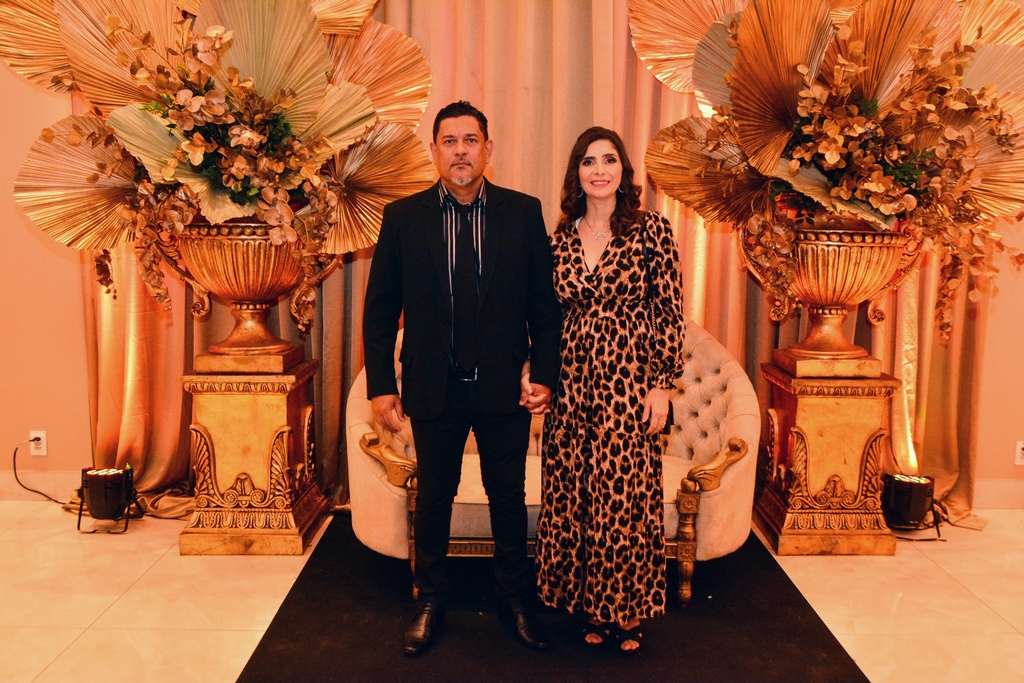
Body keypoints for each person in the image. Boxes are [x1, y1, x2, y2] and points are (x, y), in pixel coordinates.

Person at [362, 101, 562, 656]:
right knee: (434, 498)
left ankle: (515, 600)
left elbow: (544, 307)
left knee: (508, 497)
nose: (460, 151)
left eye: (470, 140)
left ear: (488, 149)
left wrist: (545, 372)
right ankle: (430, 601)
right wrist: (382, 385)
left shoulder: (522, 213)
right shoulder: (403, 217)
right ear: (434, 151)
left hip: (504, 388)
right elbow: (380, 310)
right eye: (449, 141)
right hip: (434, 387)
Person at [534, 126, 686, 654]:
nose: (599, 170)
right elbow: (545, 318)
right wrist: (538, 374)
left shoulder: (651, 230)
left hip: (628, 383)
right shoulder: (558, 239)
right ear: (576, 173)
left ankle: (627, 607)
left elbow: (669, 312)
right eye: (588, 161)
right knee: (574, 493)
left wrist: (662, 385)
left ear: (623, 171)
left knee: (623, 498)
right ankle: (588, 603)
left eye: (609, 160)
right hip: (572, 386)